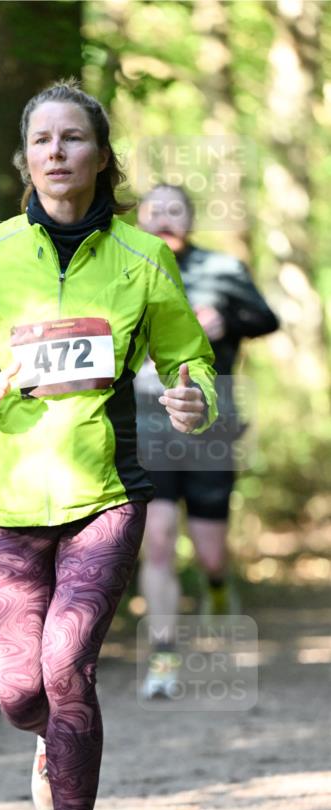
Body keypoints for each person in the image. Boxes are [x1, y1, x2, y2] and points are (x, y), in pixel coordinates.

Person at [0, 80, 217, 810]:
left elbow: (188, 360)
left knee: (64, 666)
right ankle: (47, 739)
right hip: (9, 504)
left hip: (105, 496)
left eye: (73, 138)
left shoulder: (141, 257)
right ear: (23, 158)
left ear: (100, 156)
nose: (57, 152)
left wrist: (193, 400)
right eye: (42, 139)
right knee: (21, 692)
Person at [135, 184, 279, 699]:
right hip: (146, 424)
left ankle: (217, 586)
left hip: (211, 427)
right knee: (157, 542)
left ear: (191, 220)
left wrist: (229, 319)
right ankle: (164, 657)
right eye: (156, 212)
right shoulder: (126, 270)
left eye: (176, 211)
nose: (166, 219)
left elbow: (268, 319)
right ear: (141, 219)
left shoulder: (222, 270)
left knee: (210, 552)